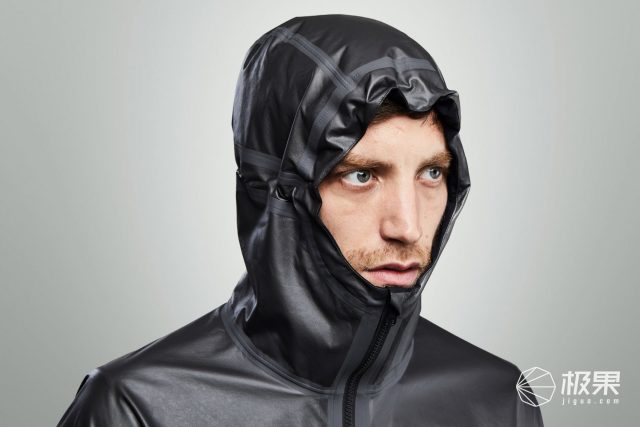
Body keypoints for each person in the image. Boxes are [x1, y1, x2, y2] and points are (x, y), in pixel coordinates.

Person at [57, 14, 544, 426]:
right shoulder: (138, 409)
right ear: (274, 192)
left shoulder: (497, 400)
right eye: (361, 176)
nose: (408, 227)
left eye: (431, 173)